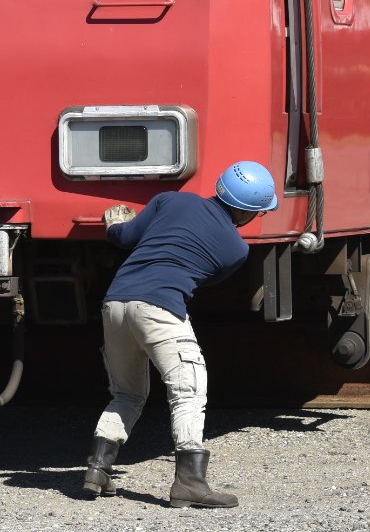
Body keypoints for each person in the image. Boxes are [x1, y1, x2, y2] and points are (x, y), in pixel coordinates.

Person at [81, 160, 278, 509]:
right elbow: (205, 280)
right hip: (160, 308)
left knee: (127, 394)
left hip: (114, 303)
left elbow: (125, 237)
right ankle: (190, 482)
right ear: (248, 212)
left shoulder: (170, 200)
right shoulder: (237, 249)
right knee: (187, 390)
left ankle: (97, 469)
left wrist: (114, 225)